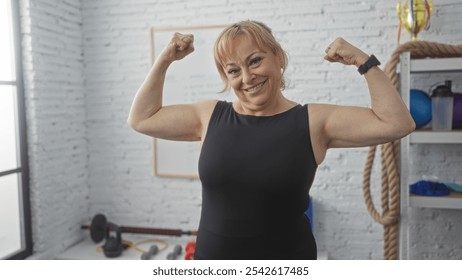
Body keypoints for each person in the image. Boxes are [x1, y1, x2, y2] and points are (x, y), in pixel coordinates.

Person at [127, 20, 415, 260]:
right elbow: (142, 118)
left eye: (255, 61)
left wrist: (363, 62)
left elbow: (397, 123)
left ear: (278, 58)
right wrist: (165, 60)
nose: (247, 77)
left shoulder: (313, 121)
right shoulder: (209, 116)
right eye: (234, 70)